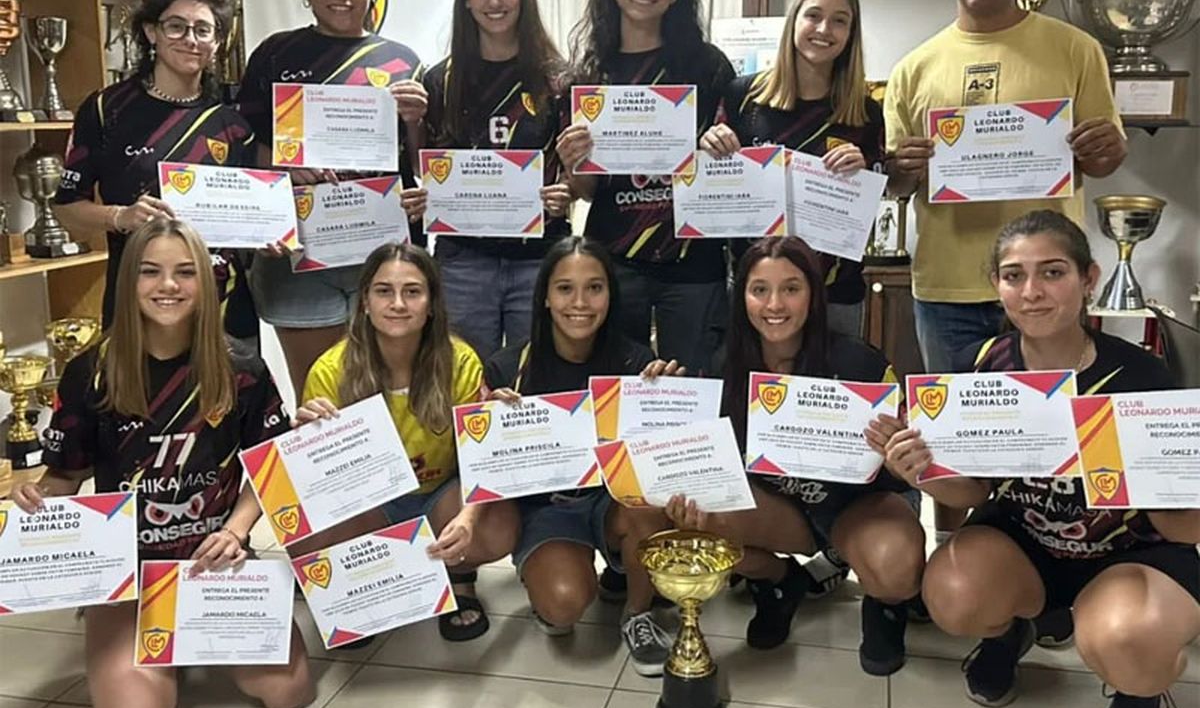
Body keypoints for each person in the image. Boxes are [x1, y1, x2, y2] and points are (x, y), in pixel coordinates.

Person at [886, 210, 1199, 708]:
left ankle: (1137, 687)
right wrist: (922, 472)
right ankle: (1011, 631)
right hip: (1024, 544)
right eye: (1013, 275)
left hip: (1128, 553)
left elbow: (1185, 529)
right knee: (953, 594)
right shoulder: (979, 367)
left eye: (1053, 272)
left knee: (1130, 644)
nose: (1032, 292)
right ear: (996, 286)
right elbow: (974, 493)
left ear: (1089, 280)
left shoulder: (1141, 378)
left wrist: (1132, 470)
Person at [12, 219, 314, 708]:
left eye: (184, 273)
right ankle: (139, 633)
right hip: (128, 570)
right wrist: (36, 499)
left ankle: (190, 629)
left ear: (207, 281)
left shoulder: (242, 367)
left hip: (213, 563)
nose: (168, 286)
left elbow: (272, 468)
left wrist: (238, 531)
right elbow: (63, 475)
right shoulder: (92, 372)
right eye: (151, 272)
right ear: (129, 282)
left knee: (288, 691)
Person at [885, 0, 1125, 377]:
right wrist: (899, 171)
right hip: (946, 293)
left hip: (1046, 288)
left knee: (1050, 435)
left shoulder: (1076, 49)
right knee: (958, 442)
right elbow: (896, 186)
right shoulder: (912, 69)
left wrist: (1110, 150)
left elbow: (1101, 160)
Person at [666, 236, 924, 676]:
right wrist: (660, 394)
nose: (774, 304)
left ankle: (884, 605)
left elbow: (905, 475)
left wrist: (900, 448)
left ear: (813, 295)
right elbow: (703, 454)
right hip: (781, 507)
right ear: (741, 295)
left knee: (894, 567)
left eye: (791, 288)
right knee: (696, 508)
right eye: (759, 289)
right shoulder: (723, 363)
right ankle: (778, 582)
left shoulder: (860, 363)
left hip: (855, 505)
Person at [236, 0, 426, 396]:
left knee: (391, 392)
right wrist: (282, 163)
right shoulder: (275, 54)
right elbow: (239, 145)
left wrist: (418, 121)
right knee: (319, 397)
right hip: (302, 252)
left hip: (381, 248)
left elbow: (421, 162)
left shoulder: (402, 62)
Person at [298, 242, 519, 641]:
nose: (398, 303)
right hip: (372, 503)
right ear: (364, 300)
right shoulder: (330, 370)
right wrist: (303, 442)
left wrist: (467, 520)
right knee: (309, 536)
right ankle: (365, 586)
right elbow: (317, 485)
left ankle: (458, 576)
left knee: (498, 524)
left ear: (432, 303)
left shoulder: (461, 361)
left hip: (438, 495)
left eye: (413, 291)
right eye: (384, 291)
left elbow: (481, 459)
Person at [484, 236, 678, 675]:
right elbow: (487, 469)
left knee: (647, 504)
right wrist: (492, 426)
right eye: (565, 288)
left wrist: (668, 398)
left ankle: (637, 613)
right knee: (564, 607)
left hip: (613, 501)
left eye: (594, 288)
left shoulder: (637, 363)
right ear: (546, 298)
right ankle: (549, 582)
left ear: (611, 294)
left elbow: (657, 460)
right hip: (548, 509)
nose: (580, 302)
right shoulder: (507, 368)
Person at [557, 0, 735, 375]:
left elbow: (734, 170)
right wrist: (572, 161)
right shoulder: (586, 73)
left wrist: (719, 147)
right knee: (613, 387)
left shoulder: (707, 66)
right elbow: (583, 189)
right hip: (615, 258)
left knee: (691, 389)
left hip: (694, 260)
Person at [54, 0, 259, 341]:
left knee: (229, 397)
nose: (190, 39)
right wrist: (120, 216)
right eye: (176, 26)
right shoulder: (106, 110)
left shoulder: (234, 121)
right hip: (137, 300)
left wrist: (269, 232)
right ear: (152, 32)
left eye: (203, 30)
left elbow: (253, 213)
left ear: (217, 41)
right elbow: (67, 209)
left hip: (222, 305)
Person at [402, 0, 572, 359]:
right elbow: (425, 166)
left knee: (529, 382)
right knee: (465, 383)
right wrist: (414, 137)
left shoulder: (560, 79)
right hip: (463, 260)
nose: (494, 0)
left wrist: (566, 189)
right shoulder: (439, 80)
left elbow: (575, 166)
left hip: (538, 256)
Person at [702, 0, 884, 340]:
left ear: (851, 34)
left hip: (835, 293)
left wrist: (864, 172)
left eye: (839, 20)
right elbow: (712, 184)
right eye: (813, 15)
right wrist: (709, 146)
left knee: (829, 395)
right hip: (759, 293)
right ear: (794, 21)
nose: (824, 29)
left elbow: (877, 199)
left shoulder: (865, 112)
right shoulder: (742, 95)